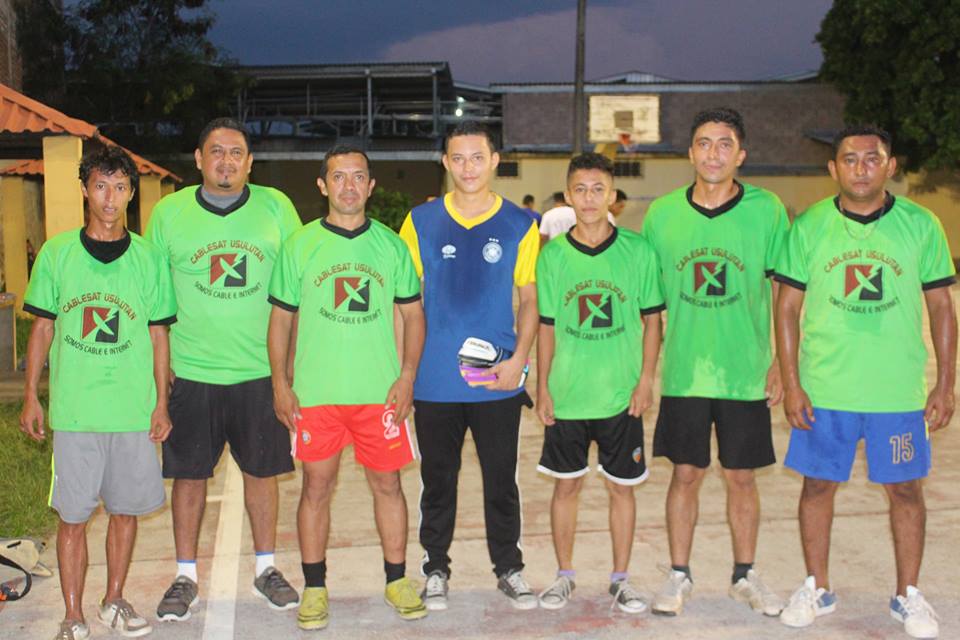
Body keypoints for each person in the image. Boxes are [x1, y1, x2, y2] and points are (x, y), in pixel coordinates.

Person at [775, 125, 955, 639]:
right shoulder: (809, 227)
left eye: (871, 159)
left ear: (890, 166)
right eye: (849, 159)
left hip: (896, 392)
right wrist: (791, 382)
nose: (860, 168)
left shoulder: (921, 225)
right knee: (817, 486)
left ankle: (909, 596)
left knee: (905, 490)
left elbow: (941, 307)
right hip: (825, 388)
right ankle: (817, 586)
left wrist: (945, 383)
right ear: (832, 169)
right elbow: (786, 308)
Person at [146, 117, 303, 620]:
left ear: (250, 162)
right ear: (198, 159)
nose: (227, 161)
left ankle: (265, 568)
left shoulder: (277, 208)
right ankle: (185, 575)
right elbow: (155, 299)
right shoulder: (168, 213)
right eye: (217, 152)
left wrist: (291, 369)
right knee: (189, 478)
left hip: (260, 372)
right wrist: (160, 368)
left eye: (237, 153)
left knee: (262, 474)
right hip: (192, 372)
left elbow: (298, 290)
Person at [267, 145, 428, 629]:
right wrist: (280, 382)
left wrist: (407, 377)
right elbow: (279, 321)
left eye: (359, 177)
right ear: (323, 186)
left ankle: (397, 579)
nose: (350, 186)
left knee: (388, 484)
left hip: (380, 394)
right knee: (316, 486)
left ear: (371, 186)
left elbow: (414, 317)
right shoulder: (300, 245)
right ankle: (314, 588)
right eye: (339, 177)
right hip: (317, 395)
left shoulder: (391, 247)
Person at [20, 146, 177, 640]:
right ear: (85, 190)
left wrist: (161, 402)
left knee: (126, 512)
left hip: (131, 410)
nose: (111, 198)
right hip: (76, 411)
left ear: (131, 193)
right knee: (73, 517)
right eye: (101, 186)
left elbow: (158, 335)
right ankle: (72, 614)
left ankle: (114, 599)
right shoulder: (57, 254)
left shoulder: (149, 259)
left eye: (121, 188)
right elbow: (42, 329)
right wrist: (31, 395)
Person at [642, 107, 788, 617]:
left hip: (745, 371)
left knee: (741, 477)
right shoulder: (662, 214)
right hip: (685, 371)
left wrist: (781, 366)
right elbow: (650, 305)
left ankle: (744, 574)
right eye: (704, 143)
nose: (713, 153)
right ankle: (679, 574)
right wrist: (644, 372)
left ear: (741, 155)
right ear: (690, 152)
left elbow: (783, 291)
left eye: (724, 144)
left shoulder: (767, 210)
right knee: (685, 473)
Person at [399, 121, 539, 610]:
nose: (468, 168)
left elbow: (529, 301)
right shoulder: (419, 221)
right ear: (444, 163)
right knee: (438, 480)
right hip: (436, 379)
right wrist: (406, 372)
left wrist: (519, 363)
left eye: (477, 157)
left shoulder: (522, 224)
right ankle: (435, 567)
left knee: (502, 479)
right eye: (458, 158)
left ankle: (510, 567)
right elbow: (407, 305)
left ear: (495, 160)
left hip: (496, 379)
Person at [534, 153, 663, 613]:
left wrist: (646, 379)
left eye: (598, 190)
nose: (589, 198)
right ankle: (564, 574)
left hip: (620, 395)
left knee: (621, 488)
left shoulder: (638, 251)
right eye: (580, 190)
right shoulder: (552, 257)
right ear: (568, 196)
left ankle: (621, 578)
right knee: (565, 486)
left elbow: (652, 322)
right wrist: (544, 387)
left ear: (612, 196)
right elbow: (546, 326)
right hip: (568, 393)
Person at [539, 191, 616, 246]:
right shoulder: (577, 212)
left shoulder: (548, 214)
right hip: (577, 248)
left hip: (556, 250)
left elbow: (542, 237)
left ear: (555, 201)